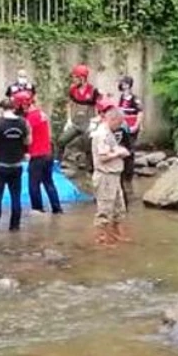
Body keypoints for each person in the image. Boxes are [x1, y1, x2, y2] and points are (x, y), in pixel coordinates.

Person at [0, 97, 31, 232]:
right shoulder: (24, 123)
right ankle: (15, 227)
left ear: (1, 109)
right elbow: (28, 142)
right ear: (14, 108)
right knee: (16, 198)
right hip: (16, 166)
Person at [16, 91, 62, 214]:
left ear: (23, 105)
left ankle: (37, 209)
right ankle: (57, 209)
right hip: (48, 153)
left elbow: (26, 139)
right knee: (49, 182)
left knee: (33, 184)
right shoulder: (42, 114)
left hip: (37, 156)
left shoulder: (30, 119)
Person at [92, 105, 131, 245]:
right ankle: (100, 239)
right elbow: (103, 156)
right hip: (105, 176)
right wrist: (119, 153)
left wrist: (120, 150)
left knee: (119, 208)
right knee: (104, 210)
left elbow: (112, 149)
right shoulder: (101, 134)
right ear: (112, 119)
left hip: (114, 176)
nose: (120, 126)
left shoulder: (109, 133)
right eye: (119, 123)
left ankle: (116, 235)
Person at [57, 64, 101, 173]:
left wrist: (96, 121)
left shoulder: (93, 91)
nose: (74, 80)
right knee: (61, 140)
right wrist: (69, 120)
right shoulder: (73, 90)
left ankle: (91, 169)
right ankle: (57, 164)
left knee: (89, 146)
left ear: (82, 78)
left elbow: (100, 107)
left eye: (75, 77)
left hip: (88, 123)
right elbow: (69, 104)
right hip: (76, 122)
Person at [116, 76, 143, 202]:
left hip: (131, 126)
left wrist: (136, 126)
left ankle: (128, 174)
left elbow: (140, 113)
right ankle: (124, 170)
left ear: (128, 85)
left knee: (130, 150)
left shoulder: (135, 99)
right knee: (123, 148)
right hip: (124, 126)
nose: (122, 85)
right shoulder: (122, 97)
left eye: (123, 83)